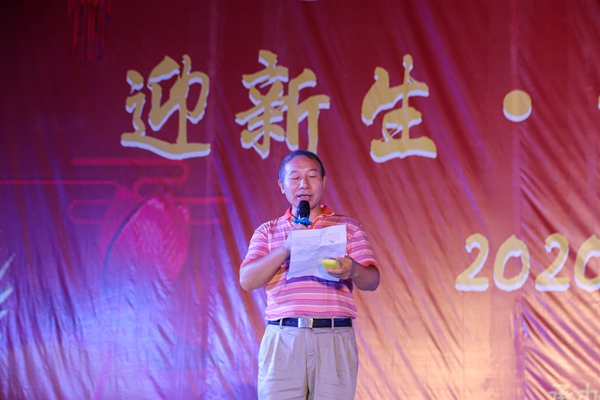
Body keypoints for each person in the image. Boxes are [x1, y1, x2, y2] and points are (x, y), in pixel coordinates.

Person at [240, 150, 380, 400]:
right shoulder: (267, 231)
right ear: (282, 186)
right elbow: (247, 280)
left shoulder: (348, 227)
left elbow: (373, 280)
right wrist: (285, 248)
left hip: (334, 337)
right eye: (295, 178)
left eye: (312, 176)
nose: (303, 184)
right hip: (284, 337)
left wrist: (353, 269)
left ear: (323, 182)